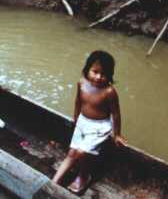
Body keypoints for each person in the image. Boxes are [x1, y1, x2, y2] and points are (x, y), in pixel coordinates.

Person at [52, 50, 127, 194]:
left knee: (81, 152)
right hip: (83, 122)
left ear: (109, 75)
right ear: (87, 70)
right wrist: (75, 119)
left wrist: (117, 134)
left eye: (104, 74)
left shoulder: (109, 92)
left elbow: (116, 114)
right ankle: (53, 182)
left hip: (100, 126)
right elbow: (78, 102)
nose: (99, 77)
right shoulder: (81, 83)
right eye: (95, 71)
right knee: (72, 152)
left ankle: (84, 176)